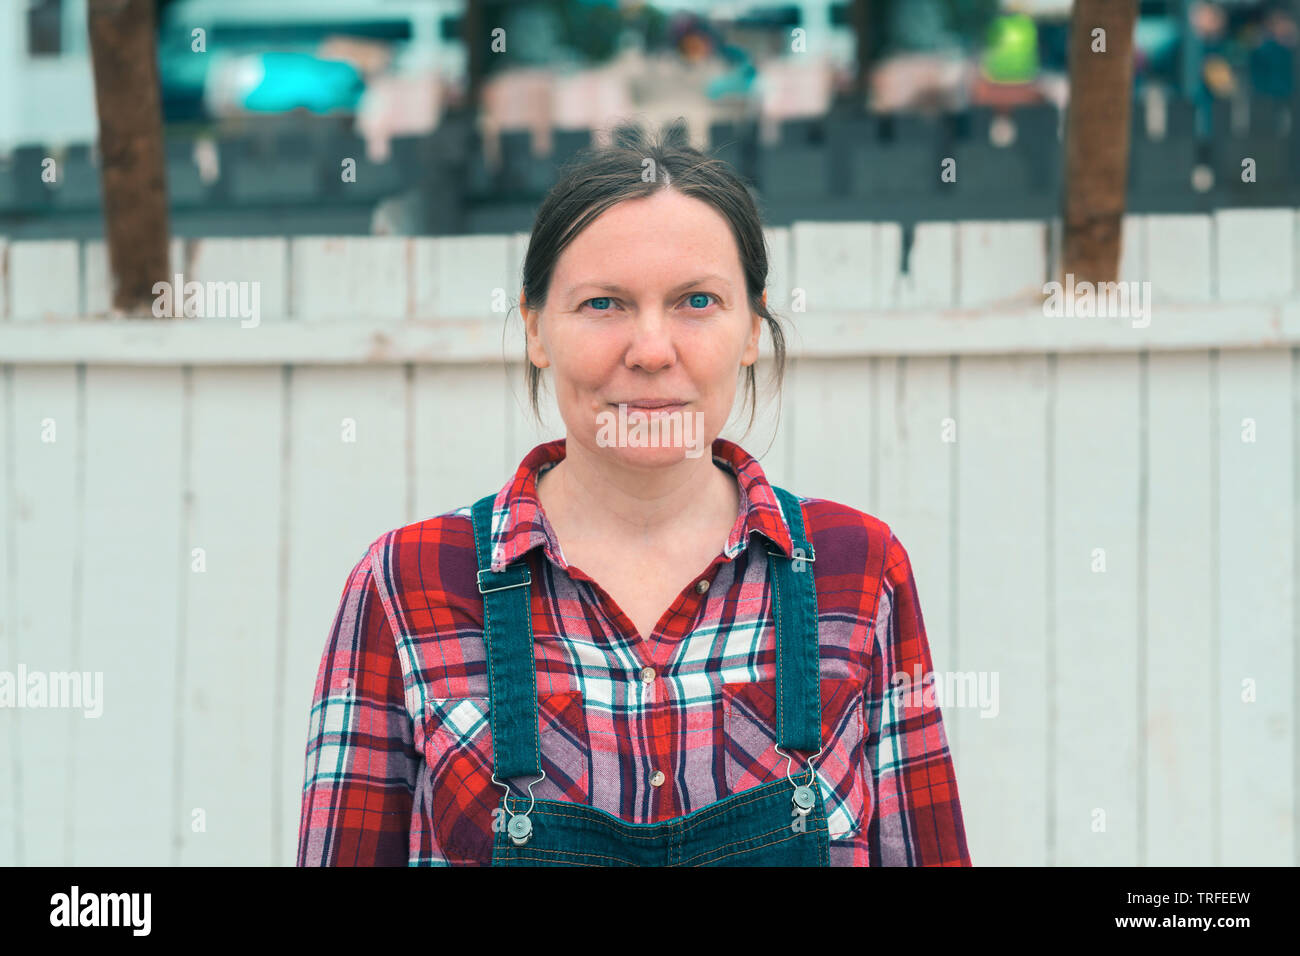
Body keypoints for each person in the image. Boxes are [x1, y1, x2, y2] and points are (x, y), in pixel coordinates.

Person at [296, 119, 971, 866]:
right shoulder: (406, 583)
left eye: (697, 302)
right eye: (604, 304)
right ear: (535, 330)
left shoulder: (859, 570)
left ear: (751, 328)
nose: (651, 351)